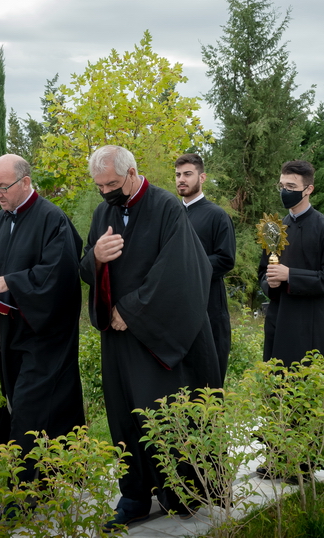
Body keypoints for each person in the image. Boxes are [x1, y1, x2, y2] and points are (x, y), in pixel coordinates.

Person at [79, 145, 221, 529]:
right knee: (124, 417)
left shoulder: (166, 208)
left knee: (164, 414)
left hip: (158, 338)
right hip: (118, 339)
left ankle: (180, 491)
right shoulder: (102, 212)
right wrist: (95, 256)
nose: (105, 191)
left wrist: (133, 310)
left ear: (132, 172)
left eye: (110, 183)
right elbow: (83, 267)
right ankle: (135, 495)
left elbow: (178, 272)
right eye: (99, 185)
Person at [0, 154, 85, 518]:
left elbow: (59, 276)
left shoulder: (52, 219)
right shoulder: (1, 223)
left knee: (31, 411)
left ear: (26, 181)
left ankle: (24, 497)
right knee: (21, 406)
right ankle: (53, 477)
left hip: (46, 335)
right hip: (11, 335)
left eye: (4, 187)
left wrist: (10, 283)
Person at [259, 160, 324, 368]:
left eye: (291, 187)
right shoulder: (275, 229)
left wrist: (289, 275)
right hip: (279, 318)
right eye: (282, 186)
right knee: (276, 387)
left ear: (309, 190)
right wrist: (269, 283)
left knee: (306, 387)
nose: (285, 191)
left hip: (310, 321)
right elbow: (262, 272)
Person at [175, 153, 237, 379]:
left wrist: (186, 267)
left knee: (207, 377)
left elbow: (225, 259)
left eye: (188, 174)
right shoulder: (169, 214)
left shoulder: (217, 216)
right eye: (178, 175)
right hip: (173, 308)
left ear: (202, 178)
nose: (182, 179)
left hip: (208, 305)